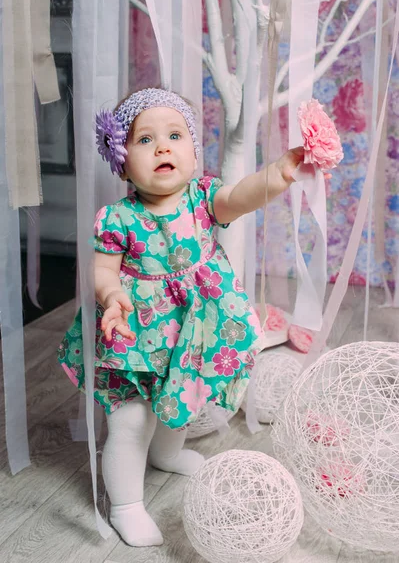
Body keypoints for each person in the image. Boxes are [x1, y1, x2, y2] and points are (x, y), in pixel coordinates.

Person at [58, 87, 311, 548]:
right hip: (135, 332)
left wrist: (278, 173)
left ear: (194, 153)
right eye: (145, 140)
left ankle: (167, 453)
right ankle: (127, 505)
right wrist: (110, 293)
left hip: (191, 330)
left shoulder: (204, 197)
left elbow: (243, 195)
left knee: (181, 402)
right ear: (121, 160)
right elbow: (101, 269)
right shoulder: (117, 218)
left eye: (175, 135)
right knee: (131, 421)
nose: (162, 147)